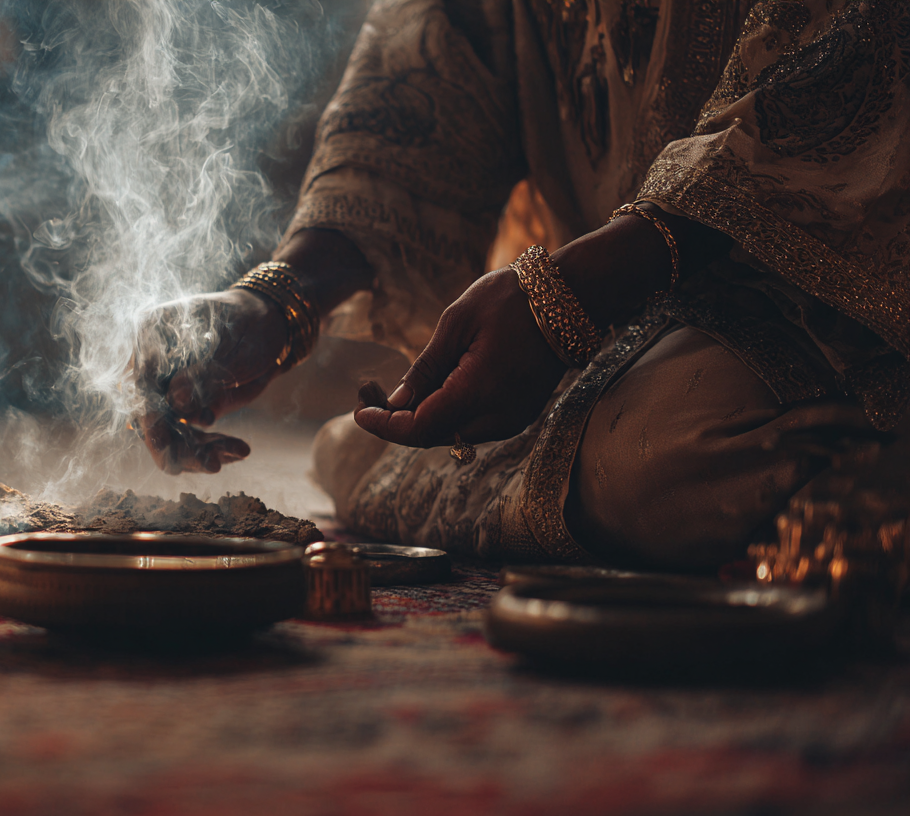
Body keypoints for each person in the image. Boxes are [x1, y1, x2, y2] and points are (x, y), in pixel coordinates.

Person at [135, 0, 910, 571]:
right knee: (355, 449)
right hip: (626, 330)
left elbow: (848, 73)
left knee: (663, 461)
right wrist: (275, 301)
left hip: (831, 290)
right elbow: (431, 79)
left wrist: (562, 300)